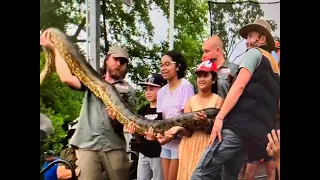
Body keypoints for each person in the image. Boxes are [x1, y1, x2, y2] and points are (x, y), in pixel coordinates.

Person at [40, 30, 136, 180]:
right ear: (107, 60)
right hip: (87, 146)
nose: (119, 64)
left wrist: (115, 119)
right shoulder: (91, 80)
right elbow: (66, 78)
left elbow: (127, 123)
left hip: (115, 147)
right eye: (116, 59)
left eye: (123, 62)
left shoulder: (128, 90)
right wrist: (55, 48)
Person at [191, 19, 280, 180]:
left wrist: (219, 118)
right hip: (255, 135)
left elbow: (238, 87)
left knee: (200, 174)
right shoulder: (276, 68)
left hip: (237, 128)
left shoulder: (254, 53)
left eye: (251, 36)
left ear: (262, 39)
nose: (247, 41)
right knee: (229, 176)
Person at [165, 60, 224, 180]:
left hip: (209, 144)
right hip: (189, 145)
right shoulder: (190, 102)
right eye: (199, 76)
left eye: (206, 75)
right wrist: (178, 129)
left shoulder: (218, 100)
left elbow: (219, 128)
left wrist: (206, 123)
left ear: (213, 79)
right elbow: (188, 132)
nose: (201, 79)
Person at [146, 50, 195, 180]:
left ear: (178, 66)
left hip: (181, 144)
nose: (163, 68)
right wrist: (156, 136)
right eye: (161, 65)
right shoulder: (161, 92)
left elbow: (189, 122)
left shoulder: (186, 86)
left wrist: (173, 134)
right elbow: (163, 121)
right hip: (166, 145)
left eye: (167, 64)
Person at [127, 73, 167, 180]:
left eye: (152, 89)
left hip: (159, 154)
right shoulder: (142, 110)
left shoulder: (166, 109)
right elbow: (139, 137)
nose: (147, 92)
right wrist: (135, 132)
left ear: (162, 89)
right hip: (143, 153)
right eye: (146, 89)